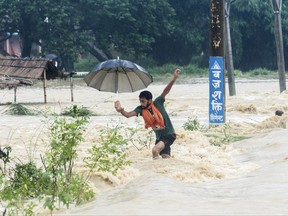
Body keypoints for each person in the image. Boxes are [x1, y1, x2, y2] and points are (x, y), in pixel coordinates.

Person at [114, 69, 181, 159]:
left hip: (169, 135)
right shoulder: (140, 109)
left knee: (154, 151)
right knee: (166, 160)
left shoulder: (158, 102)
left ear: (150, 100)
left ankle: (154, 167)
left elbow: (165, 91)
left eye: (143, 101)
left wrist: (174, 78)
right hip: (159, 138)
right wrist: (120, 110)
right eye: (140, 101)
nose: (142, 103)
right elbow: (128, 115)